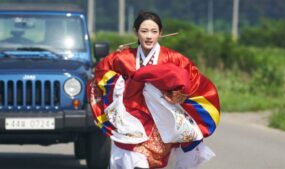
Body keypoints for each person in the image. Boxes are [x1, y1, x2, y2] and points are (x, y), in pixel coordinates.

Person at [87, 11, 220, 169]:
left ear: (161, 33)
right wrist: (120, 86)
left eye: (153, 31)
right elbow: (101, 72)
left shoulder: (173, 58)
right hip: (134, 121)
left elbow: (194, 80)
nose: (149, 36)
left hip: (164, 121)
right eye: (144, 31)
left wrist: (179, 94)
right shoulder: (122, 58)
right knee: (133, 158)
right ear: (136, 32)